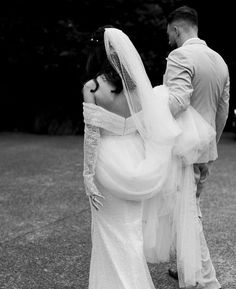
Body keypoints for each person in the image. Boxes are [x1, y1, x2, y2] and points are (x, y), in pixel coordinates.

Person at [82, 26, 215, 289]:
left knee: (107, 232)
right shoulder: (138, 92)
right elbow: (150, 131)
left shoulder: (92, 87)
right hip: (135, 163)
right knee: (131, 233)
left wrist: (87, 176)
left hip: (107, 167)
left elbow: (92, 136)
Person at [163, 5, 230, 289]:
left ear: (176, 29)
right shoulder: (219, 61)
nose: (168, 37)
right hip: (206, 149)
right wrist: (210, 145)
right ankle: (184, 266)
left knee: (189, 213)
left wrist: (146, 105)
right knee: (189, 207)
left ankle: (207, 281)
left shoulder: (180, 55)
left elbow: (176, 101)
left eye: (168, 32)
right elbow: (223, 111)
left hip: (183, 149)